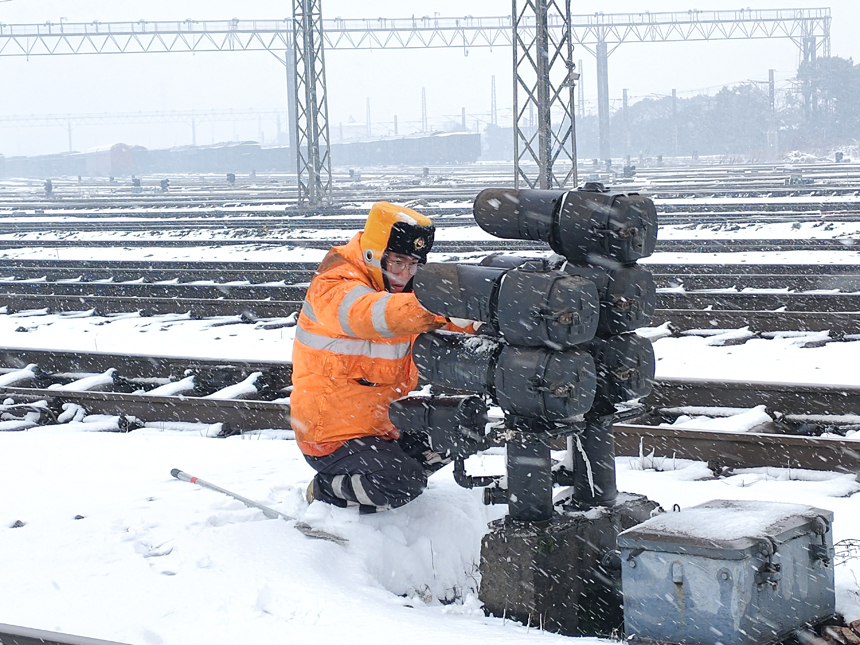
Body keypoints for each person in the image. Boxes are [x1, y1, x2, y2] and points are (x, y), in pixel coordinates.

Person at [290, 202, 474, 513]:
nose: (405, 274)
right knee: (402, 484)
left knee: (459, 429)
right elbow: (373, 314)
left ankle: (386, 475)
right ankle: (327, 490)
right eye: (398, 262)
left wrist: (480, 317)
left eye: (414, 264)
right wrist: (439, 309)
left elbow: (437, 309)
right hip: (331, 437)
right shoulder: (335, 282)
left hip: (381, 427)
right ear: (374, 253)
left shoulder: (398, 287)